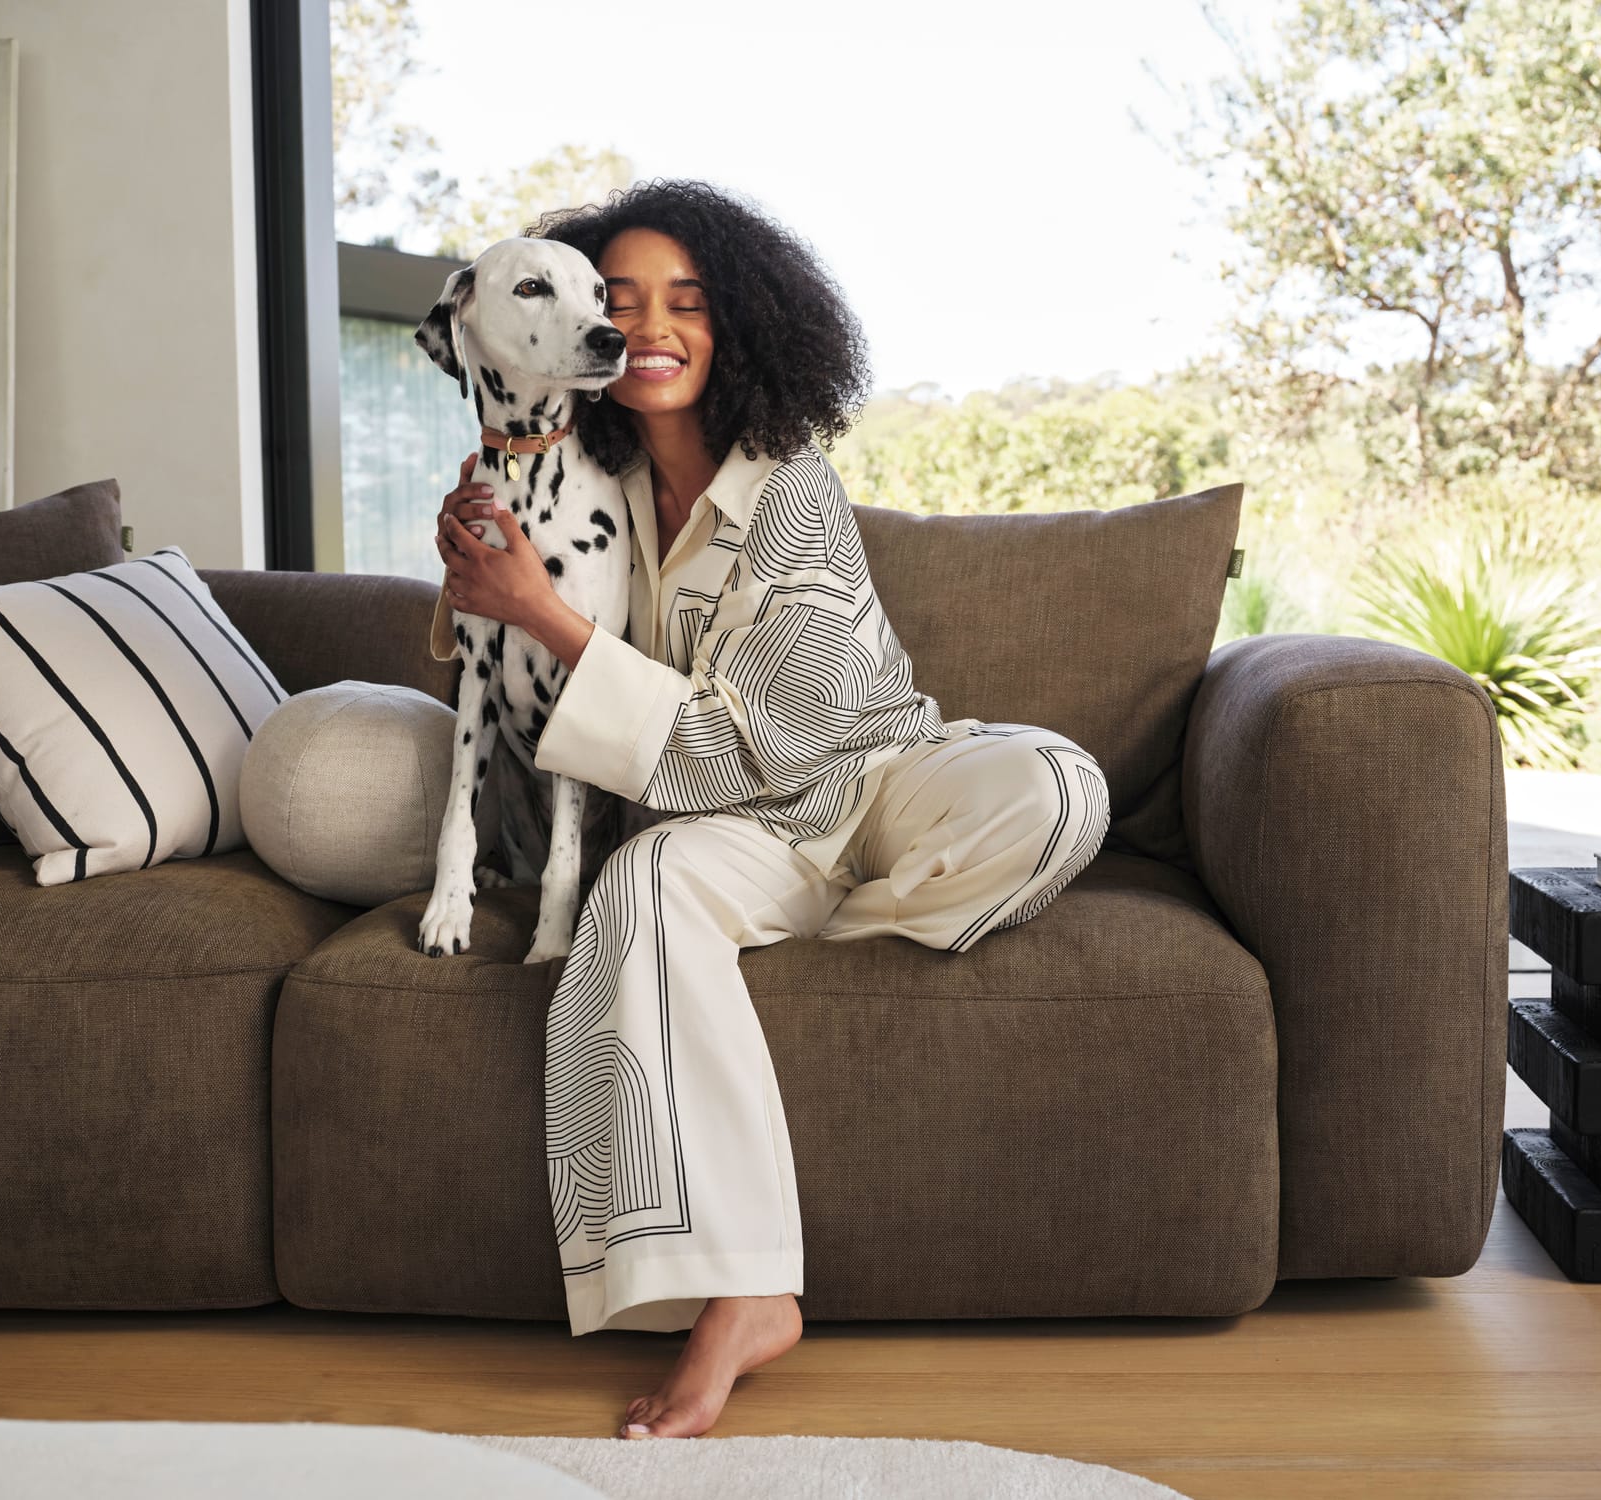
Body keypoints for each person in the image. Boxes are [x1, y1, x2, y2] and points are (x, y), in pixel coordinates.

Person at [429, 179, 1110, 1441]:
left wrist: (545, 611)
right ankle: (745, 1298)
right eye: (618, 302)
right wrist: (488, 572)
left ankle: (852, 918)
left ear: (739, 325)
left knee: (1056, 785)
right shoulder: (576, 490)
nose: (651, 325)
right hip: (736, 837)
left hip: (875, 779)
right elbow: (524, 690)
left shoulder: (793, 487)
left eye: (686, 302)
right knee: (643, 884)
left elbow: (768, 732)